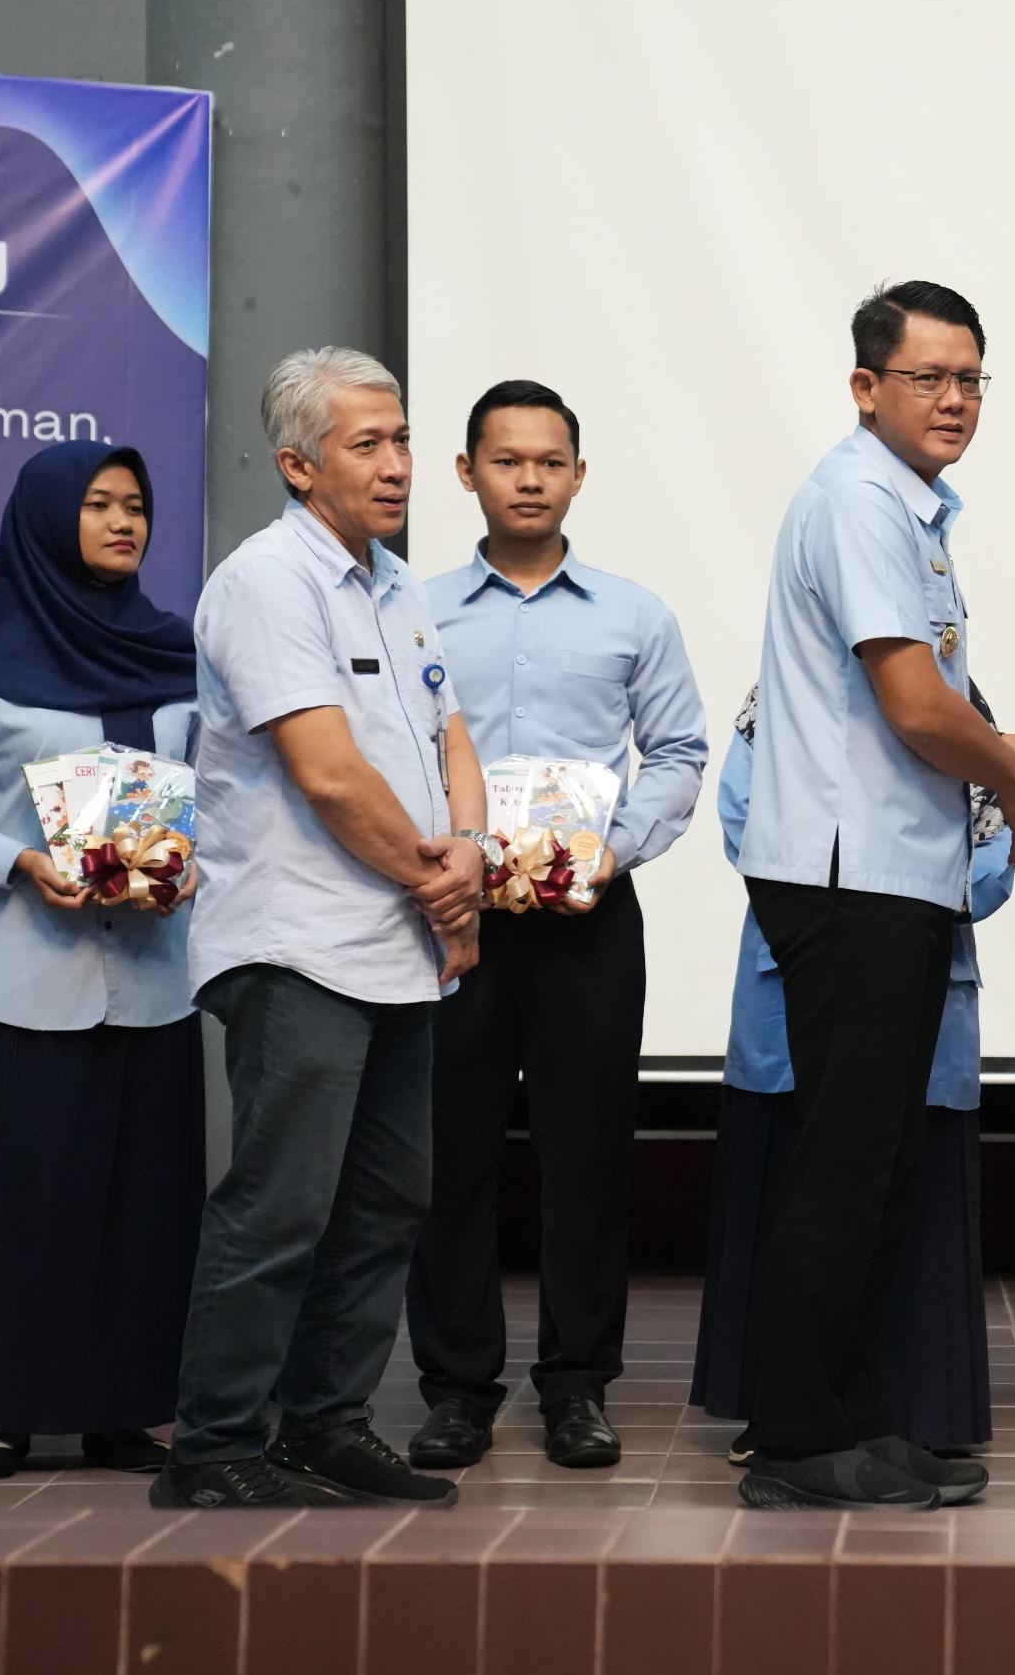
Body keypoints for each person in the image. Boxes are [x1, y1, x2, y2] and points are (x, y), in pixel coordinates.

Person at [732, 279, 1015, 1510]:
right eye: (929, 377)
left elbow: (941, 706)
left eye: (972, 378)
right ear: (867, 387)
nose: (954, 399)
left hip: (894, 872)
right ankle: (794, 1436)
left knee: (874, 1164)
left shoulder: (910, 511)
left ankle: (856, 1415)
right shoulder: (859, 500)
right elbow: (918, 707)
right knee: (843, 1163)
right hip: (850, 876)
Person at [151, 347, 490, 1511]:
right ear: (298, 464)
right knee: (281, 1201)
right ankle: (215, 1440)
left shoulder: (396, 583)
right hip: (295, 944)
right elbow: (329, 775)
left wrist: (472, 857)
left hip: (396, 946)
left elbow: (451, 739)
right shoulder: (265, 582)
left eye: (401, 440)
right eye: (367, 444)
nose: (398, 465)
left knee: (389, 1199)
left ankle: (324, 1422)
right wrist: (442, 883)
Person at [0, 439, 202, 1485]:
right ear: (47, 518)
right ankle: (2, 1413)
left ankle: (121, 1407)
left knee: (140, 1206)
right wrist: (16, 856)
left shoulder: (176, 652)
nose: (124, 522)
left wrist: (196, 860)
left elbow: (225, 790)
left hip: (152, 980)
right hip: (23, 979)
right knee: (19, 1203)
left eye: (137, 506)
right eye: (100, 504)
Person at [405, 379, 707, 1473]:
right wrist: (430, 857)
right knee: (450, 1155)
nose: (528, 478)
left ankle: (578, 1385)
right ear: (466, 472)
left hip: (589, 916)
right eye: (506, 459)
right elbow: (395, 750)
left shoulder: (635, 613)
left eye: (549, 461)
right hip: (454, 914)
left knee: (588, 1155)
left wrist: (613, 849)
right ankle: (455, 1387)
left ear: (579, 473)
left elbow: (678, 751)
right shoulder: (416, 608)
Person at [693, 681, 1013, 1458]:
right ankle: (780, 1411)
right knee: (801, 1185)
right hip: (802, 967)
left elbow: (995, 854)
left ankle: (916, 1416)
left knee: (907, 1187)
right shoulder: (782, 699)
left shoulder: (963, 704)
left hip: (927, 965)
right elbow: (743, 815)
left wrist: (916, 898)